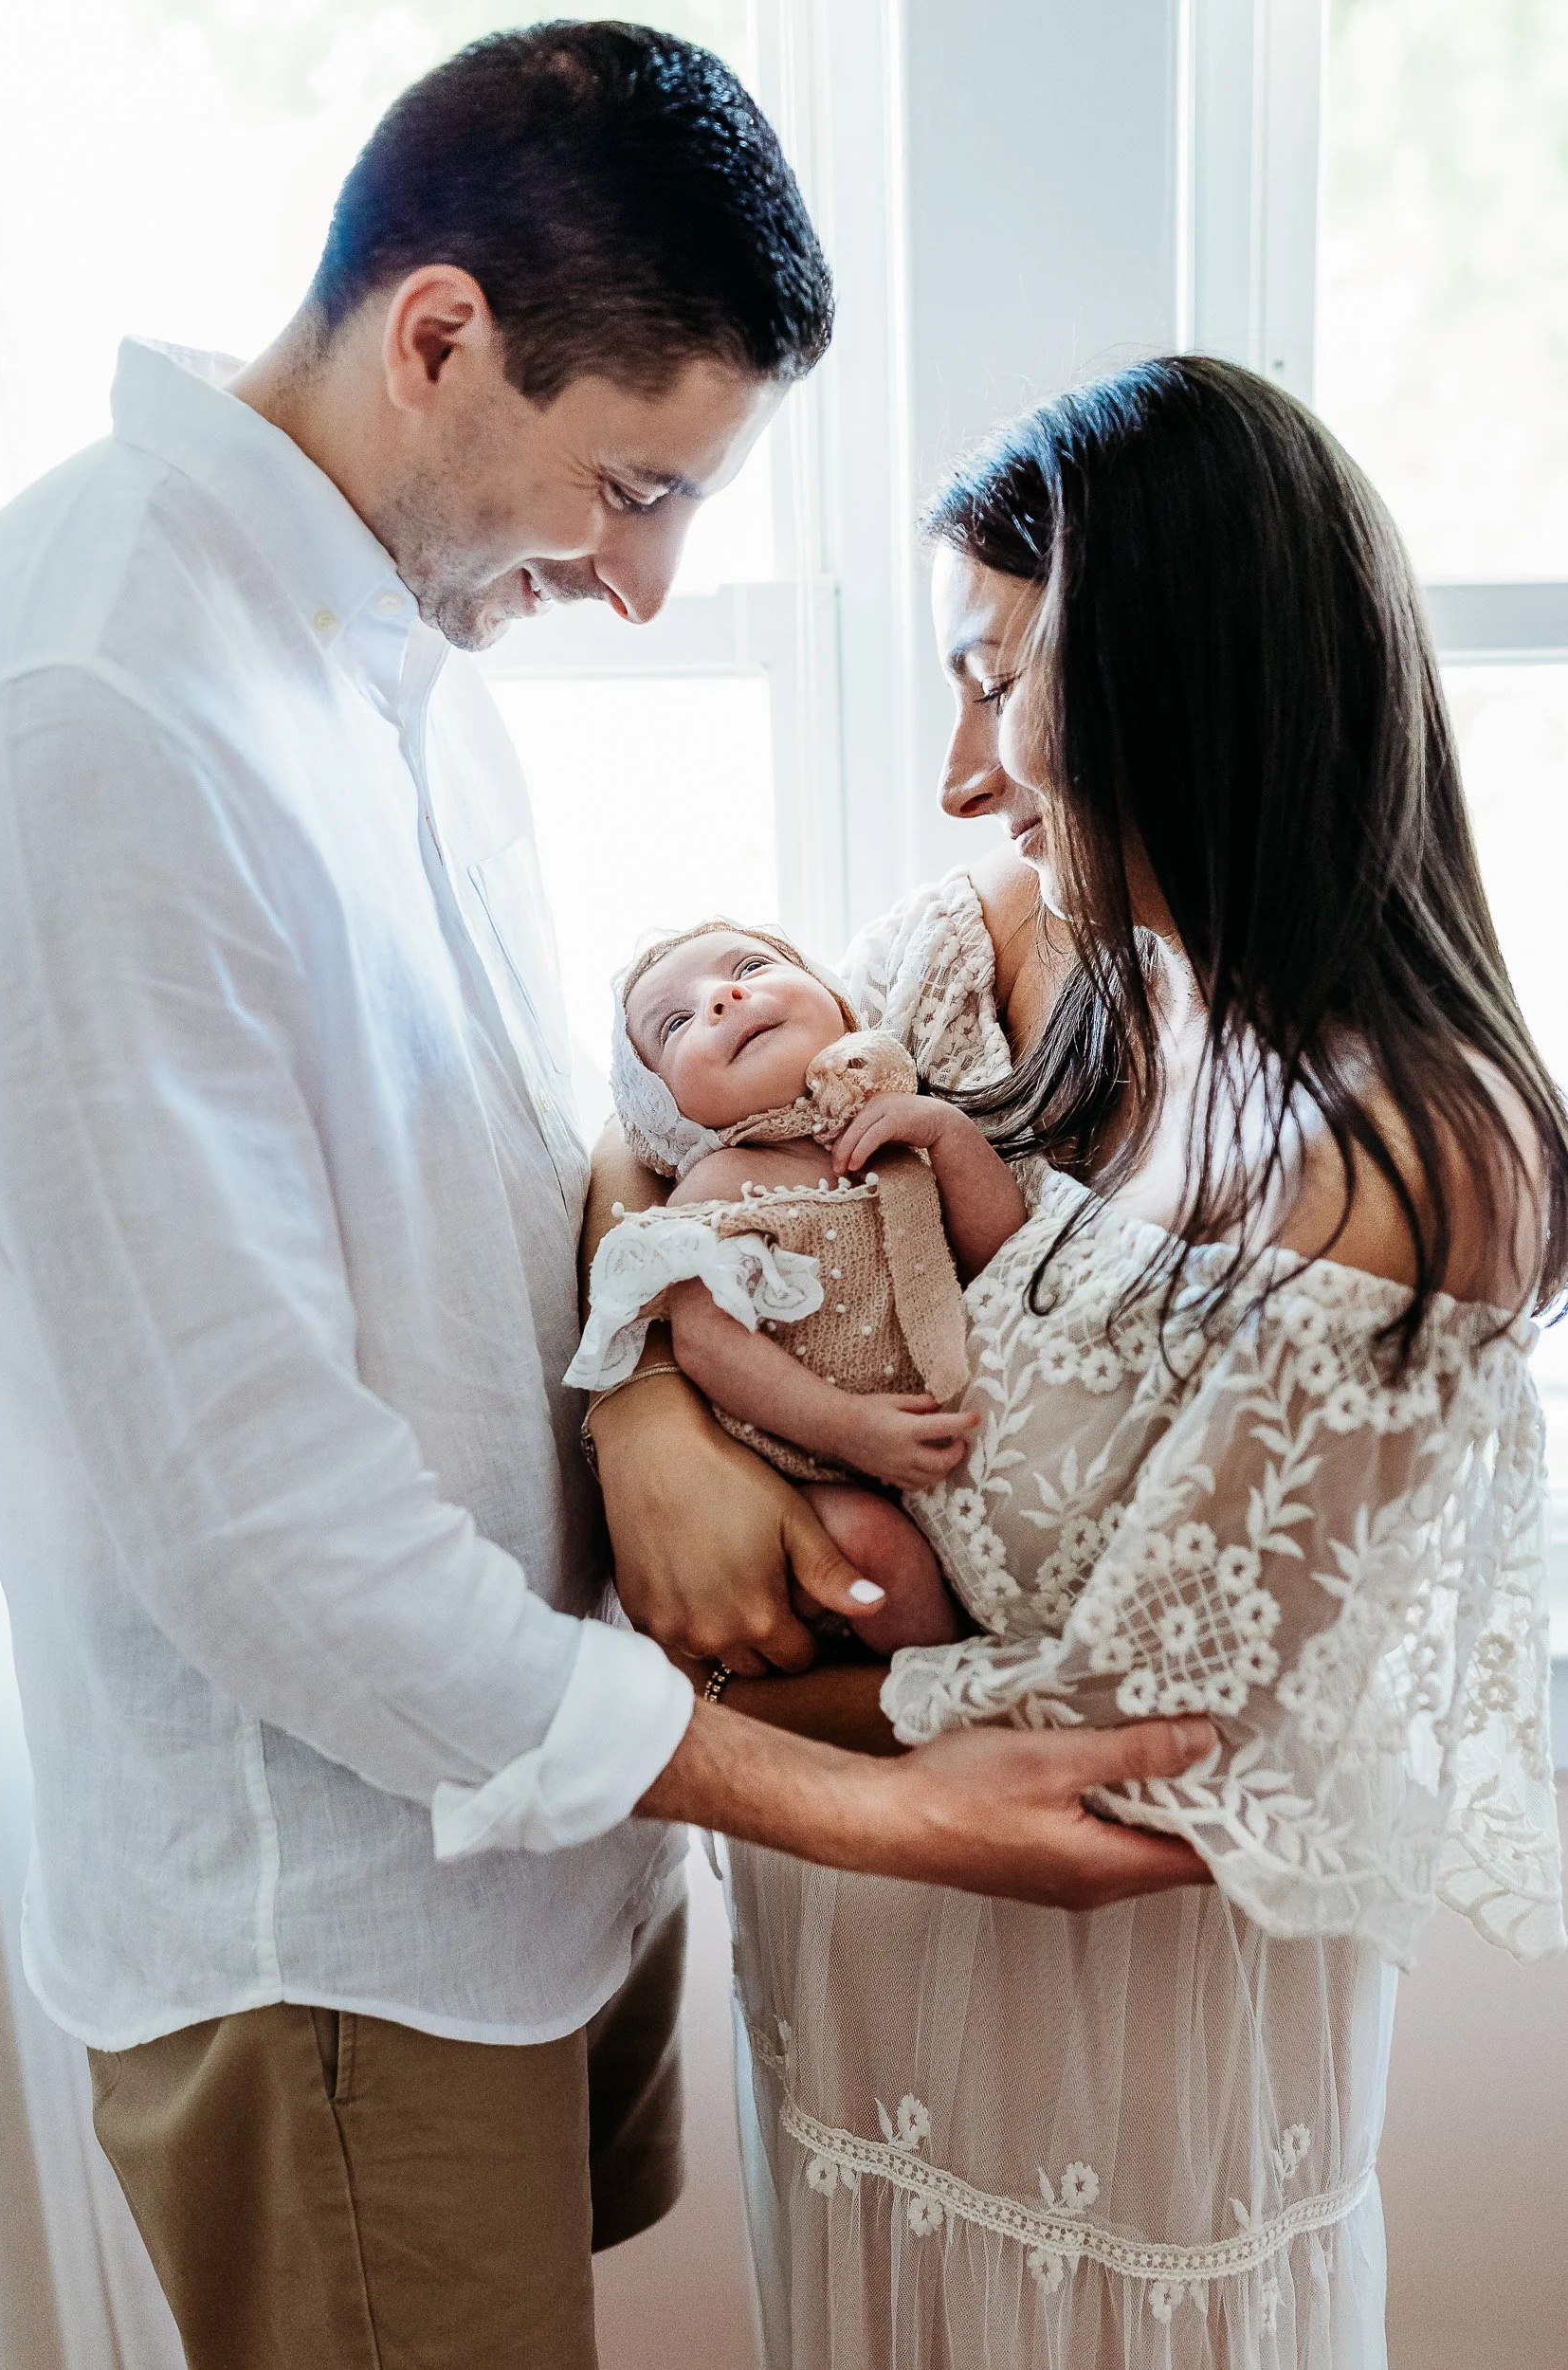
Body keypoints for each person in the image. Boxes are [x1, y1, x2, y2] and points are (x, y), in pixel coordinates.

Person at [0, 27, 1215, 2370]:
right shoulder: (95, 716)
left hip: (546, 1837)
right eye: (631, 489)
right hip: (345, 1928)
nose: (644, 589)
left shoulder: (387, 636)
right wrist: (896, 1813)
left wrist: (645, 1400)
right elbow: (259, 1537)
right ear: (437, 333)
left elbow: (490, 1131)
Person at [589, 359, 1567, 2367]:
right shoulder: (991, 963)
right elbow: (636, 1125)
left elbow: (1134, 1748)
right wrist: (636, 1427)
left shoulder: (1417, 1157)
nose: (960, 772)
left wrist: (677, 1691)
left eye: (994, 676)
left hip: (1121, 2115)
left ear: (1180, 674)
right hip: (849, 2005)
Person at [568, 916, 1030, 1651]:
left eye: (749, 968)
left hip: (933, 1434)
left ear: (837, 1002)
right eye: (676, 1023)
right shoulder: (715, 1189)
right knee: (873, 1543)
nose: (720, 999)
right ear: (664, 1110)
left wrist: (949, 1136)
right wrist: (847, 1428)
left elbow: (999, 1253)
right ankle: (944, 1691)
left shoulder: (899, 1132)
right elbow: (707, 1345)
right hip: (801, 1459)